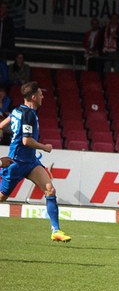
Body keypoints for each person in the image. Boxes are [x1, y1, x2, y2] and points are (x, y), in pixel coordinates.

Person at [0, 82, 71, 242]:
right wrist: (45, 147)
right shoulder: (28, 114)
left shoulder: (17, 110)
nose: (42, 96)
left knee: (50, 190)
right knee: (2, 197)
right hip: (16, 163)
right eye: (40, 94)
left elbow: (2, 125)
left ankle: (56, 230)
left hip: (30, 162)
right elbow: (26, 141)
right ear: (33, 97)